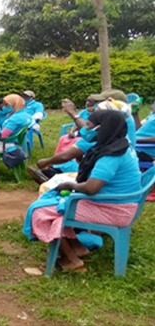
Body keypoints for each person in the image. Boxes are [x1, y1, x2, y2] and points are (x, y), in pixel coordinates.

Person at [23, 111, 141, 271]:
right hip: (118, 203)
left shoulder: (111, 155)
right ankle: (77, 247)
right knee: (57, 205)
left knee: (42, 211)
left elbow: (91, 188)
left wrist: (70, 186)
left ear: (102, 128)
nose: (85, 129)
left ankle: (71, 259)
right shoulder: (119, 145)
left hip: (114, 210)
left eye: (89, 126)